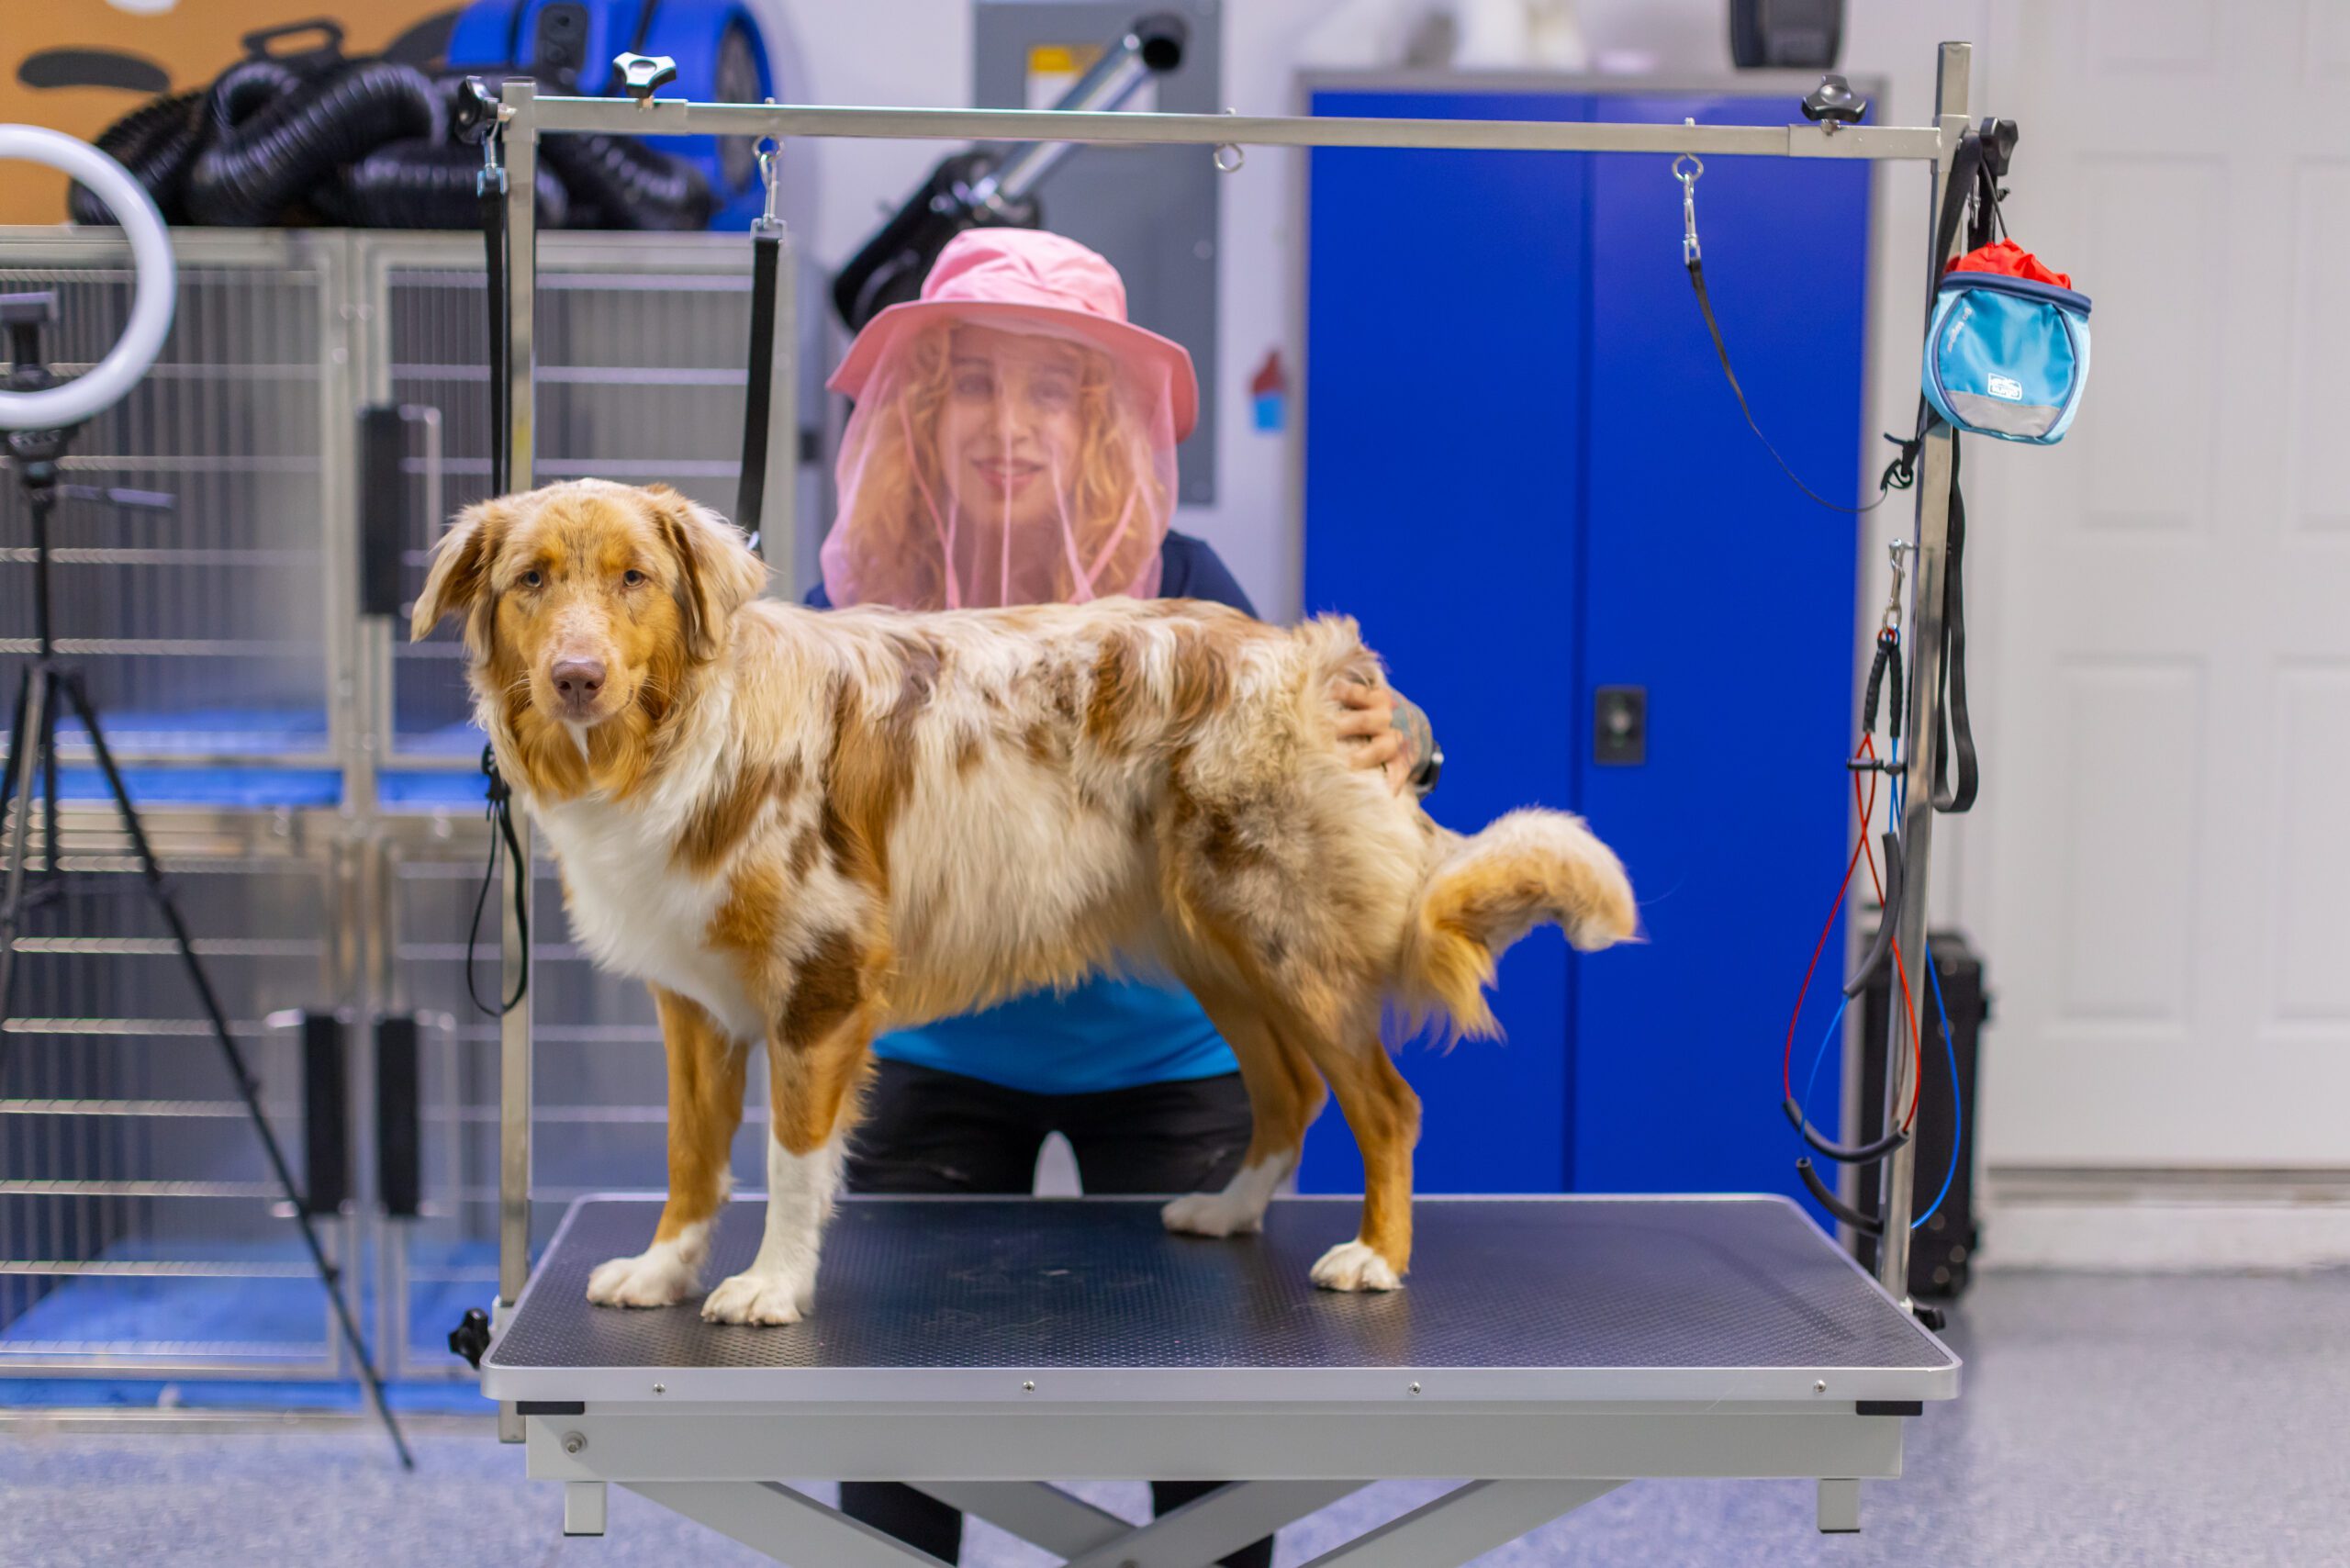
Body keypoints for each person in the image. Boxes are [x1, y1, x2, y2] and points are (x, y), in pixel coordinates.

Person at [811, 228, 1436, 1566]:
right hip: (927, 1057)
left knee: (1206, 1455)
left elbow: (1317, 758)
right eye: (977, 383)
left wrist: (1410, 735)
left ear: (1100, 420)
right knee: (901, 1454)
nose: (1010, 425)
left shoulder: (1188, 588)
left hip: (1167, 1062)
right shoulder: (856, 605)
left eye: (1052, 389)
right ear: (924, 405)